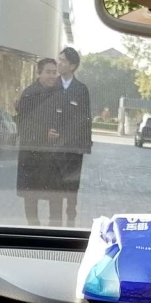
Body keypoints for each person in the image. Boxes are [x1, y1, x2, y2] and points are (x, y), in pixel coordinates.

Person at [15, 58, 62, 227]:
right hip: (32, 154)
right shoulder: (29, 94)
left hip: (53, 155)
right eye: (48, 72)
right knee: (31, 195)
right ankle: (33, 228)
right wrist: (44, 134)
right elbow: (22, 125)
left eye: (54, 72)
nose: (52, 76)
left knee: (56, 195)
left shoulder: (59, 93)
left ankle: (55, 229)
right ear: (39, 73)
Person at [52, 47, 93, 228]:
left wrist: (84, 145)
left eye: (63, 61)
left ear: (72, 65)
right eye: (59, 59)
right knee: (54, 187)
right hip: (53, 147)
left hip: (73, 149)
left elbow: (85, 118)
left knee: (71, 187)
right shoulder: (52, 86)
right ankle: (54, 224)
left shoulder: (81, 89)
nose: (59, 63)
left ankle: (70, 221)